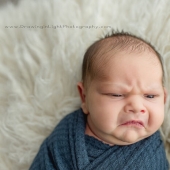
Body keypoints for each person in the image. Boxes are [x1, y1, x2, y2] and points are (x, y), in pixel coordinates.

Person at [29, 31, 169, 170]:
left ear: (164, 98)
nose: (137, 107)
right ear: (84, 97)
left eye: (150, 96)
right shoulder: (66, 136)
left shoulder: (152, 154)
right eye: (116, 94)